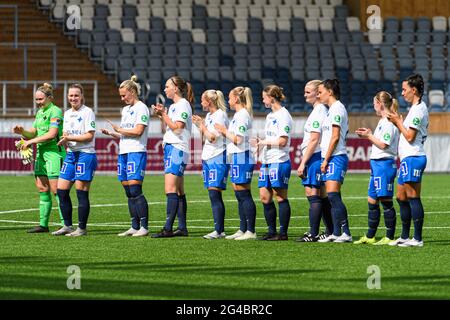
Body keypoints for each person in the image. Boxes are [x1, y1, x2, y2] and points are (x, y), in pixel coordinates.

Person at [13, 83, 66, 233]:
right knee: (42, 188)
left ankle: (66, 224)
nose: (38, 102)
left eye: (41, 99)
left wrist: (30, 141)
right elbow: (33, 132)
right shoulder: (40, 112)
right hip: (41, 154)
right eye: (36, 100)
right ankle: (43, 225)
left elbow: (52, 134)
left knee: (57, 190)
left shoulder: (55, 111)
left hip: (54, 154)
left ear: (49, 98)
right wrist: (22, 132)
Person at [102, 75, 150, 237]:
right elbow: (125, 134)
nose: (122, 99)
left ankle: (144, 226)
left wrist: (119, 130)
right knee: (128, 191)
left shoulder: (141, 108)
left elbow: (138, 131)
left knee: (136, 189)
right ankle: (134, 226)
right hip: (124, 152)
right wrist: (112, 133)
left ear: (132, 91)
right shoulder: (126, 110)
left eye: (124, 95)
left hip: (136, 152)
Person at [386, 74, 429, 247]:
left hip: (414, 157)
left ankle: (417, 238)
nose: (402, 93)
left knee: (413, 197)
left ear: (414, 90)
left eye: (405, 89)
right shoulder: (414, 108)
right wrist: (399, 121)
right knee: (401, 197)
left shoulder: (419, 109)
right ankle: (405, 236)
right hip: (406, 159)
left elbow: (410, 136)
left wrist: (397, 122)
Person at [354, 91, 400, 245]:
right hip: (376, 165)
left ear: (380, 104)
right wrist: (370, 134)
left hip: (384, 165)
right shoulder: (382, 121)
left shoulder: (389, 122)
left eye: (374, 103)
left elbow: (383, 144)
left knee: (385, 201)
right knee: (372, 200)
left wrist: (368, 136)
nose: (373, 106)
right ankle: (370, 235)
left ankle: (389, 236)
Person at [151, 75, 194, 238]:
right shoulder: (175, 105)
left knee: (170, 189)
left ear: (176, 88)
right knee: (179, 190)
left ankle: (168, 227)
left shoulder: (183, 105)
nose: (165, 89)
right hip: (172, 148)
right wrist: (162, 115)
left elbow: (177, 128)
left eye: (167, 86)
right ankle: (182, 227)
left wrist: (165, 114)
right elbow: (167, 129)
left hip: (177, 149)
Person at [52, 84, 97, 237]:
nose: (73, 98)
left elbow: (89, 135)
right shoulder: (67, 113)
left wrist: (69, 138)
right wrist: (64, 140)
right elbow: (65, 133)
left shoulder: (88, 112)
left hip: (85, 154)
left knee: (81, 193)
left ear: (82, 96)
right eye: (71, 96)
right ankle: (67, 225)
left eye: (76, 95)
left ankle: (82, 228)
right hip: (71, 155)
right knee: (61, 191)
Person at [215, 87, 257, 240]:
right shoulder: (238, 115)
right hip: (236, 156)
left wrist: (224, 131)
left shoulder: (242, 115)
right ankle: (243, 228)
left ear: (237, 99)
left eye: (230, 97)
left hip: (242, 156)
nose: (228, 100)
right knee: (239, 193)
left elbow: (238, 139)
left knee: (244, 193)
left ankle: (251, 231)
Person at [296, 80, 334, 242]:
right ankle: (330, 230)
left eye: (308, 92)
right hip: (317, 156)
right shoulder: (319, 111)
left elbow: (314, 140)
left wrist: (303, 162)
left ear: (318, 93)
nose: (305, 95)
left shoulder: (319, 111)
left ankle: (313, 233)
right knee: (321, 194)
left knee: (313, 193)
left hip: (315, 156)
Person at [255, 85, 293, 241]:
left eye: (264, 97)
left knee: (280, 196)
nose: (263, 100)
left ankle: (282, 233)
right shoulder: (270, 116)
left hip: (279, 160)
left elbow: (283, 141)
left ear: (271, 98)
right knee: (264, 196)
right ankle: (271, 231)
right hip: (267, 160)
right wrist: (262, 146)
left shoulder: (284, 115)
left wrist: (264, 142)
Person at [316, 79, 352, 243]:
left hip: (336, 157)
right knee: (332, 196)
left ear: (330, 92)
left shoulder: (337, 109)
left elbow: (335, 137)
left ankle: (345, 232)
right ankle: (336, 232)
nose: (319, 95)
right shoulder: (332, 110)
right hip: (331, 157)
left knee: (333, 195)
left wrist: (326, 159)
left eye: (321, 91)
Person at [192, 90, 230, 239]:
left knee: (215, 193)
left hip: (218, 156)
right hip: (208, 156)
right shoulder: (209, 116)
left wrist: (202, 126)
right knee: (212, 193)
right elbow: (205, 138)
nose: (201, 103)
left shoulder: (220, 115)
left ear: (210, 101)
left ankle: (219, 230)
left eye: (203, 100)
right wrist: (199, 126)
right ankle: (218, 229)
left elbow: (213, 137)